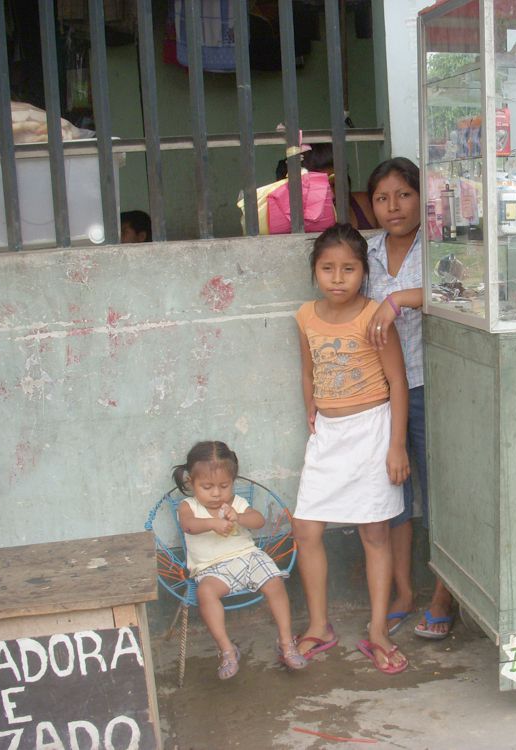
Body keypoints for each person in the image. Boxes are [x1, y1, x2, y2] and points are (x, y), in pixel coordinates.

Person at [293, 223, 411, 674]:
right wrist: (311, 409)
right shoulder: (306, 316)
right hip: (328, 435)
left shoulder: (374, 316)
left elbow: (397, 381)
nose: (337, 278)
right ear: (315, 272)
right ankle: (319, 624)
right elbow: (307, 371)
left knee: (374, 534)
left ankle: (377, 630)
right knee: (306, 529)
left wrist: (396, 446)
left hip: (373, 431)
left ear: (364, 271)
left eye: (348, 268)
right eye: (327, 268)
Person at [364, 157, 455, 641]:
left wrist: (401, 297)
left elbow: (460, 292)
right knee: (392, 499)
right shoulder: (369, 250)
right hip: (381, 395)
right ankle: (403, 593)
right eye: (382, 197)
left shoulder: (440, 244)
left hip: (431, 387)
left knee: (439, 495)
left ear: (423, 198)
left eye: (403, 194)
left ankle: (445, 594)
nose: (393, 206)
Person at [174, 440, 305, 680]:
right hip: (211, 569)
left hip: (248, 557)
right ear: (191, 484)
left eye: (224, 486)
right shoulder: (188, 506)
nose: (216, 493)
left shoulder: (235, 503)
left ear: (233, 482)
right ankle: (227, 649)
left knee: (275, 581)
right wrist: (212, 523)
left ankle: (286, 642)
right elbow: (188, 526)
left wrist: (240, 517)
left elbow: (259, 521)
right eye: (207, 486)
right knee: (205, 593)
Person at [276, 144, 378, 230]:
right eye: (320, 188)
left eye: (335, 185)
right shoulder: (290, 221)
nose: (332, 195)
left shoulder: (366, 204)